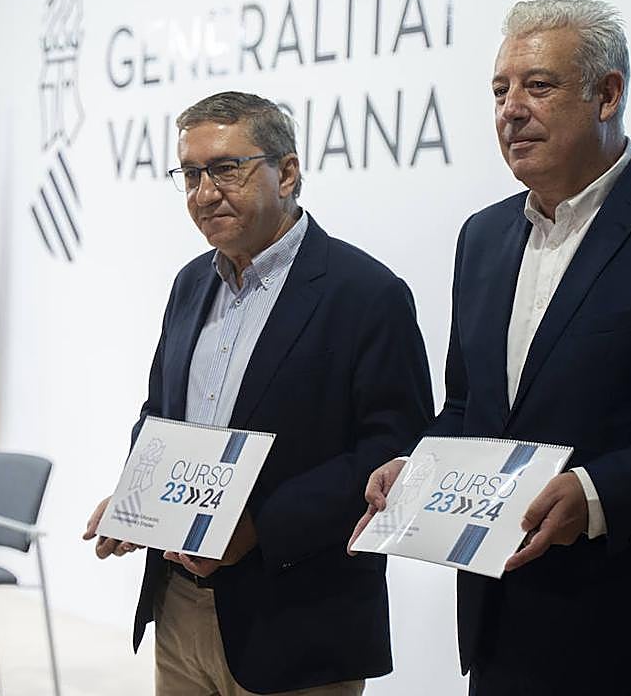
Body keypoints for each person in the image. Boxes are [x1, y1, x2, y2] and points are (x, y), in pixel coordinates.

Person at [353, 0, 631, 695]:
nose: (511, 109)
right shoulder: (482, 238)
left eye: (539, 85)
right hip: (502, 624)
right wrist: (418, 465)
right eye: (500, 90)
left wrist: (595, 494)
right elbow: (469, 405)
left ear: (607, 94)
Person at [84, 91, 433, 695]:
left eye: (226, 168)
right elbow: (158, 415)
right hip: (178, 609)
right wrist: (139, 498)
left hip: (298, 621)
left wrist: (259, 529)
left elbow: (394, 452)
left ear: (288, 172)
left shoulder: (367, 293)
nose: (204, 192)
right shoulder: (191, 283)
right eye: (191, 174)